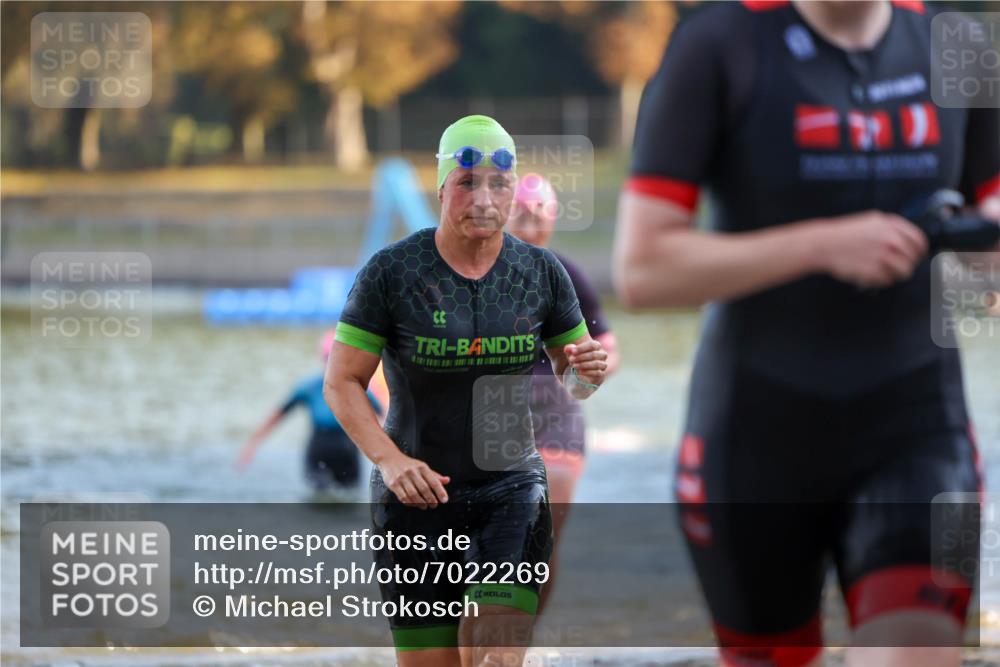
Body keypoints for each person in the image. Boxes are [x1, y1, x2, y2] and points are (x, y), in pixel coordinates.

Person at [613, 2, 999, 667]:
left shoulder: (958, 44)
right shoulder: (720, 44)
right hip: (755, 434)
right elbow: (642, 269)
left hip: (917, 426)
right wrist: (822, 246)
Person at [324, 115, 608, 667]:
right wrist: (390, 461)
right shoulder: (392, 271)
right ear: (441, 190)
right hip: (415, 497)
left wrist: (586, 373)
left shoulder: (541, 273)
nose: (484, 198)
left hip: (512, 491)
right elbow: (342, 382)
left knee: (496, 657)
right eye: (467, 182)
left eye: (499, 184)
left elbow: (574, 377)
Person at [506, 172, 621, 612]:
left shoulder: (564, 274)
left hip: (557, 408)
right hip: (493, 408)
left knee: (543, 533)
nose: (531, 226)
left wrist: (593, 367)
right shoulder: (475, 277)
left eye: (540, 215)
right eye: (520, 214)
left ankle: (522, 638)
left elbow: (609, 347)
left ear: (553, 218)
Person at [237, 331, 382, 492]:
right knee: (322, 497)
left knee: (347, 496)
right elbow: (278, 416)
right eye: (329, 358)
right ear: (323, 358)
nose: (332, 364)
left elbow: (385, 417)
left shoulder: (358, 388)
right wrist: (252, 444)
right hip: (320, 448)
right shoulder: (309, 387)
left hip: (346, 450)